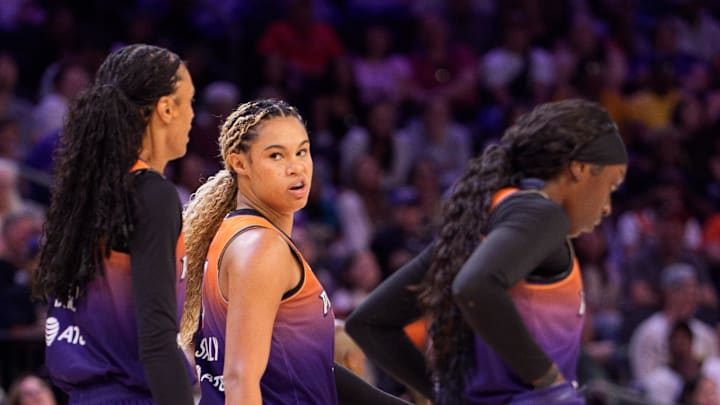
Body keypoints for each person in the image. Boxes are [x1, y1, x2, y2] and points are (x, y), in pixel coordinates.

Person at [346, 98, 628, 404]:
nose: (608, 207)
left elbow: (370, 323)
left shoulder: (484, 221)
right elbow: (475, 286)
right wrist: (550, 382)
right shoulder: (543, 214)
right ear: (579, 169)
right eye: (610, 186)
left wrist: (444, 397)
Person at [179, 98, 409, 405]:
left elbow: (300, 367)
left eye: (302, 151)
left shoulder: (236, 235)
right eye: (276, 155)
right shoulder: (261, 247)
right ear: (239, 163)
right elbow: (239, 379)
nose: (296, 167)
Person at [32, 44, 195, 405]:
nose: (193, 116)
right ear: (167, 108)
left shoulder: (89, 194)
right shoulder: (152, 195)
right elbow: (155, 341)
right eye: (189, 101)